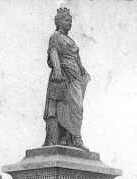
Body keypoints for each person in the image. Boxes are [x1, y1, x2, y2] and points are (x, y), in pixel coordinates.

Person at [43, 7, 91, 150]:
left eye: (71, 20)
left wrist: (82, 69)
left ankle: (72, 137)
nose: (69, 23)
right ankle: (71, 138)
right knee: (64, 107)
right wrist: (57, 69)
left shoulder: (71, 40)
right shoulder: (55, 37)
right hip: (63, 76)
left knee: (77, 107)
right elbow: (53, 52)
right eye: (66, 20)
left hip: (75, 78)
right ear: (58, 22)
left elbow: (77, 58)